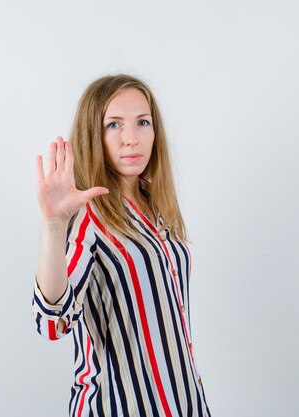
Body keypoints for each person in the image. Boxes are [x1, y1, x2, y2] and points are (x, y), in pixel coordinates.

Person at [32, 74, 211, 417]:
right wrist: (55, 226)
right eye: (114, 125)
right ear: (92, 135)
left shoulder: (156, 208)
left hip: (182, 403)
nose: (132, 139)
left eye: (142, 122)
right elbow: (52, 322)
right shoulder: (89, 216)